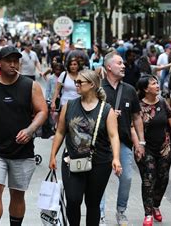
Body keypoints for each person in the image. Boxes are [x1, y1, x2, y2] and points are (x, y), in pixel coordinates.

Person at [0, 46, 48, 226]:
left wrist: (30, 130)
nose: (13, 64)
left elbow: (42, 111)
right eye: (9, 61)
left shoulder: (31, 86)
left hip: (22, 150)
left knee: (17, 193)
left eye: (16, 60)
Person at [49, 69, 122, 226]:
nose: (76, 85)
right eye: (76, 82)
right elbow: (60, 132)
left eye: (79, 82)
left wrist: (116, 158)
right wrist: (52, 155)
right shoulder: (69, 105)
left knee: (93, 203)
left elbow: (114, 136)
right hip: (72, 161)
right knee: (73, 200)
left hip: (100, 163)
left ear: (92, 84)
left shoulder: (106, 110)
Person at [100, 52, 146, 225]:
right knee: (100, 180)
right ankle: (100, 214)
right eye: (119, 63)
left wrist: (140, 142)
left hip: (124, 142)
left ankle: (121, 211)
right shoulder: (98, 89)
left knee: (126, 177)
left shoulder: (129, 89)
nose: (123, 65)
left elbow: (136, 118)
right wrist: (108, 114)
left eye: (123, 63)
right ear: (109, 67)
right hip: (102, 143)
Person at [135, 75, 171, 226]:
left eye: (157, 83)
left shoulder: (163, 103)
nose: (157, 85)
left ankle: (156, 205)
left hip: (165, 148)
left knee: (162, 179)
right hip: (146, 148)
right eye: (153, 84)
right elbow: (134, 127)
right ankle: (148, 213)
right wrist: (138, 145)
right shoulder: (138, 106)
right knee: (149, 179)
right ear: (145, 89)